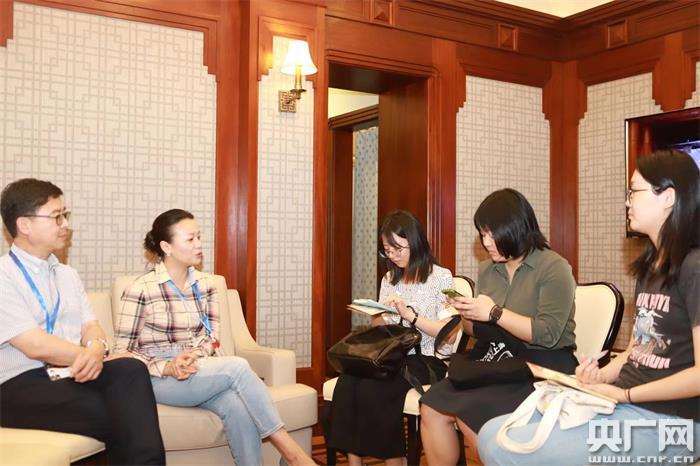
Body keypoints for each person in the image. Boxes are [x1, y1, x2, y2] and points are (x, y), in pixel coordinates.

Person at [478, 149, 700, 464]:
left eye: (633, 192)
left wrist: (624, 394)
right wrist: (602, 376)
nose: (627, 202)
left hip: (674, 420)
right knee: (490, 434)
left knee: (510, 449)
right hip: (625, 401)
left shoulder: (694, 268)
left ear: (668, 198)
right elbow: (637, 349)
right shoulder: (651, 268)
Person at [113, 208, 316, 466]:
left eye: (199, 237)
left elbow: (211, 337)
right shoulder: (140, 289)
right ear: (166, 247)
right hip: (156, 377)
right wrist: (167, 366)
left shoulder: (206, 284)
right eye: (190, 239)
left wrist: (192, 356)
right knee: (237, 367)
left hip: (197, 367)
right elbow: (122, 353)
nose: (198, 244)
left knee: (236, 407)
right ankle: (294, 455)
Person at [0, 178, 165, 465]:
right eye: (56, 217)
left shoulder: (67, 275)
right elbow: (35, 345)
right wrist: (89, 355)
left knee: (131, 368)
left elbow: (91, 326)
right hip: (17, 384)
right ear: (24, 225)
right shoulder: (4, 276)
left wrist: (97, 348)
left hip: (68, 373)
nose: (65, 224)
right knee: (122, 412)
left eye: (65, 215)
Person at [420, 188, 578, 465]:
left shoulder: (554, 267)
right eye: (482, 234)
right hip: (497, 358)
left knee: (472, 412)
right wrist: (468, 315)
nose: (486, 242)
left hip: (543, 364)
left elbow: (548, 334)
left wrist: (494, 312)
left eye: (492, 234)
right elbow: (477, 331)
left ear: (516, 228)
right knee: (431, 406)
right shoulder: (488, 269)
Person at [326, 209, 458, 466]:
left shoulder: (440, 277)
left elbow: (450, 335)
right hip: (392, 356)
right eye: (388, 251)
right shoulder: (390, 278)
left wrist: (411, 316)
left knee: (375, 388)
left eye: (398, 249)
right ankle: (354, 462)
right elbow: (381, 329)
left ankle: (395, 461)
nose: (393, 256)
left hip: (426, 359)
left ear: (415, 241)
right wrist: (376, 313)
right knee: (348, 382)